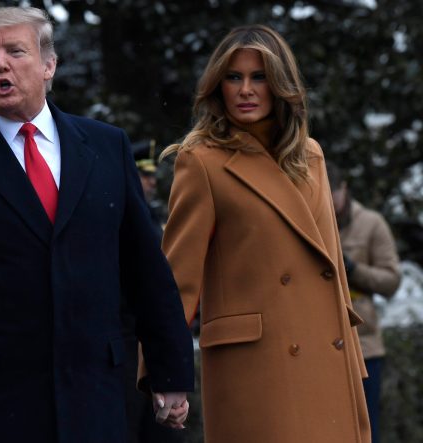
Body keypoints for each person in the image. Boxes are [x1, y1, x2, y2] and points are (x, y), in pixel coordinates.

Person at [0, 6, 194, 443]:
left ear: (49, 65)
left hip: (97, 396)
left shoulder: (107, 147)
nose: (0, 64)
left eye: (15, 50)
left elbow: (146, 270)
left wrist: (170, 369)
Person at [139, 25, 371, 442]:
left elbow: (331, 267)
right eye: (234, 77)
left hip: (328, 357)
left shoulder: (310, 155)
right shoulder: (202, 160)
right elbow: (176, 281)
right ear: (218, 85)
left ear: (281, 84)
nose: (246, 89)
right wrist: (164, 373)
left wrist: (353, 364)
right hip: (259, 370)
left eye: (259, 76)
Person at [327, 161, 401, 443]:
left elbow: (391, 281)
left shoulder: (371, 224)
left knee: (365, 433)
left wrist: (354, 270)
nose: (329, 204)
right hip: (321, 347)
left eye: (332, 194)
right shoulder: (310, 221)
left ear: (344, 189)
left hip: (365, 347)